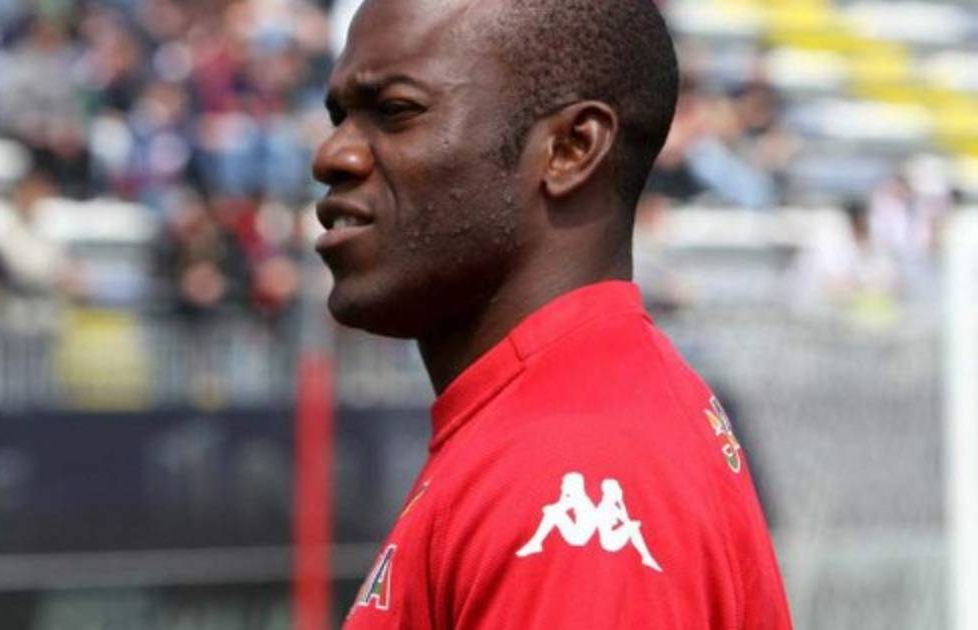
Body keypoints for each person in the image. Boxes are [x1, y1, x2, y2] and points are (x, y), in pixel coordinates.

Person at [310, 0, 792, 627]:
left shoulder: (576, 459)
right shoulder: (561, 414)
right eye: (339, 116)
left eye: (396, 111)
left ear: (570, 148)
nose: (333, 155)